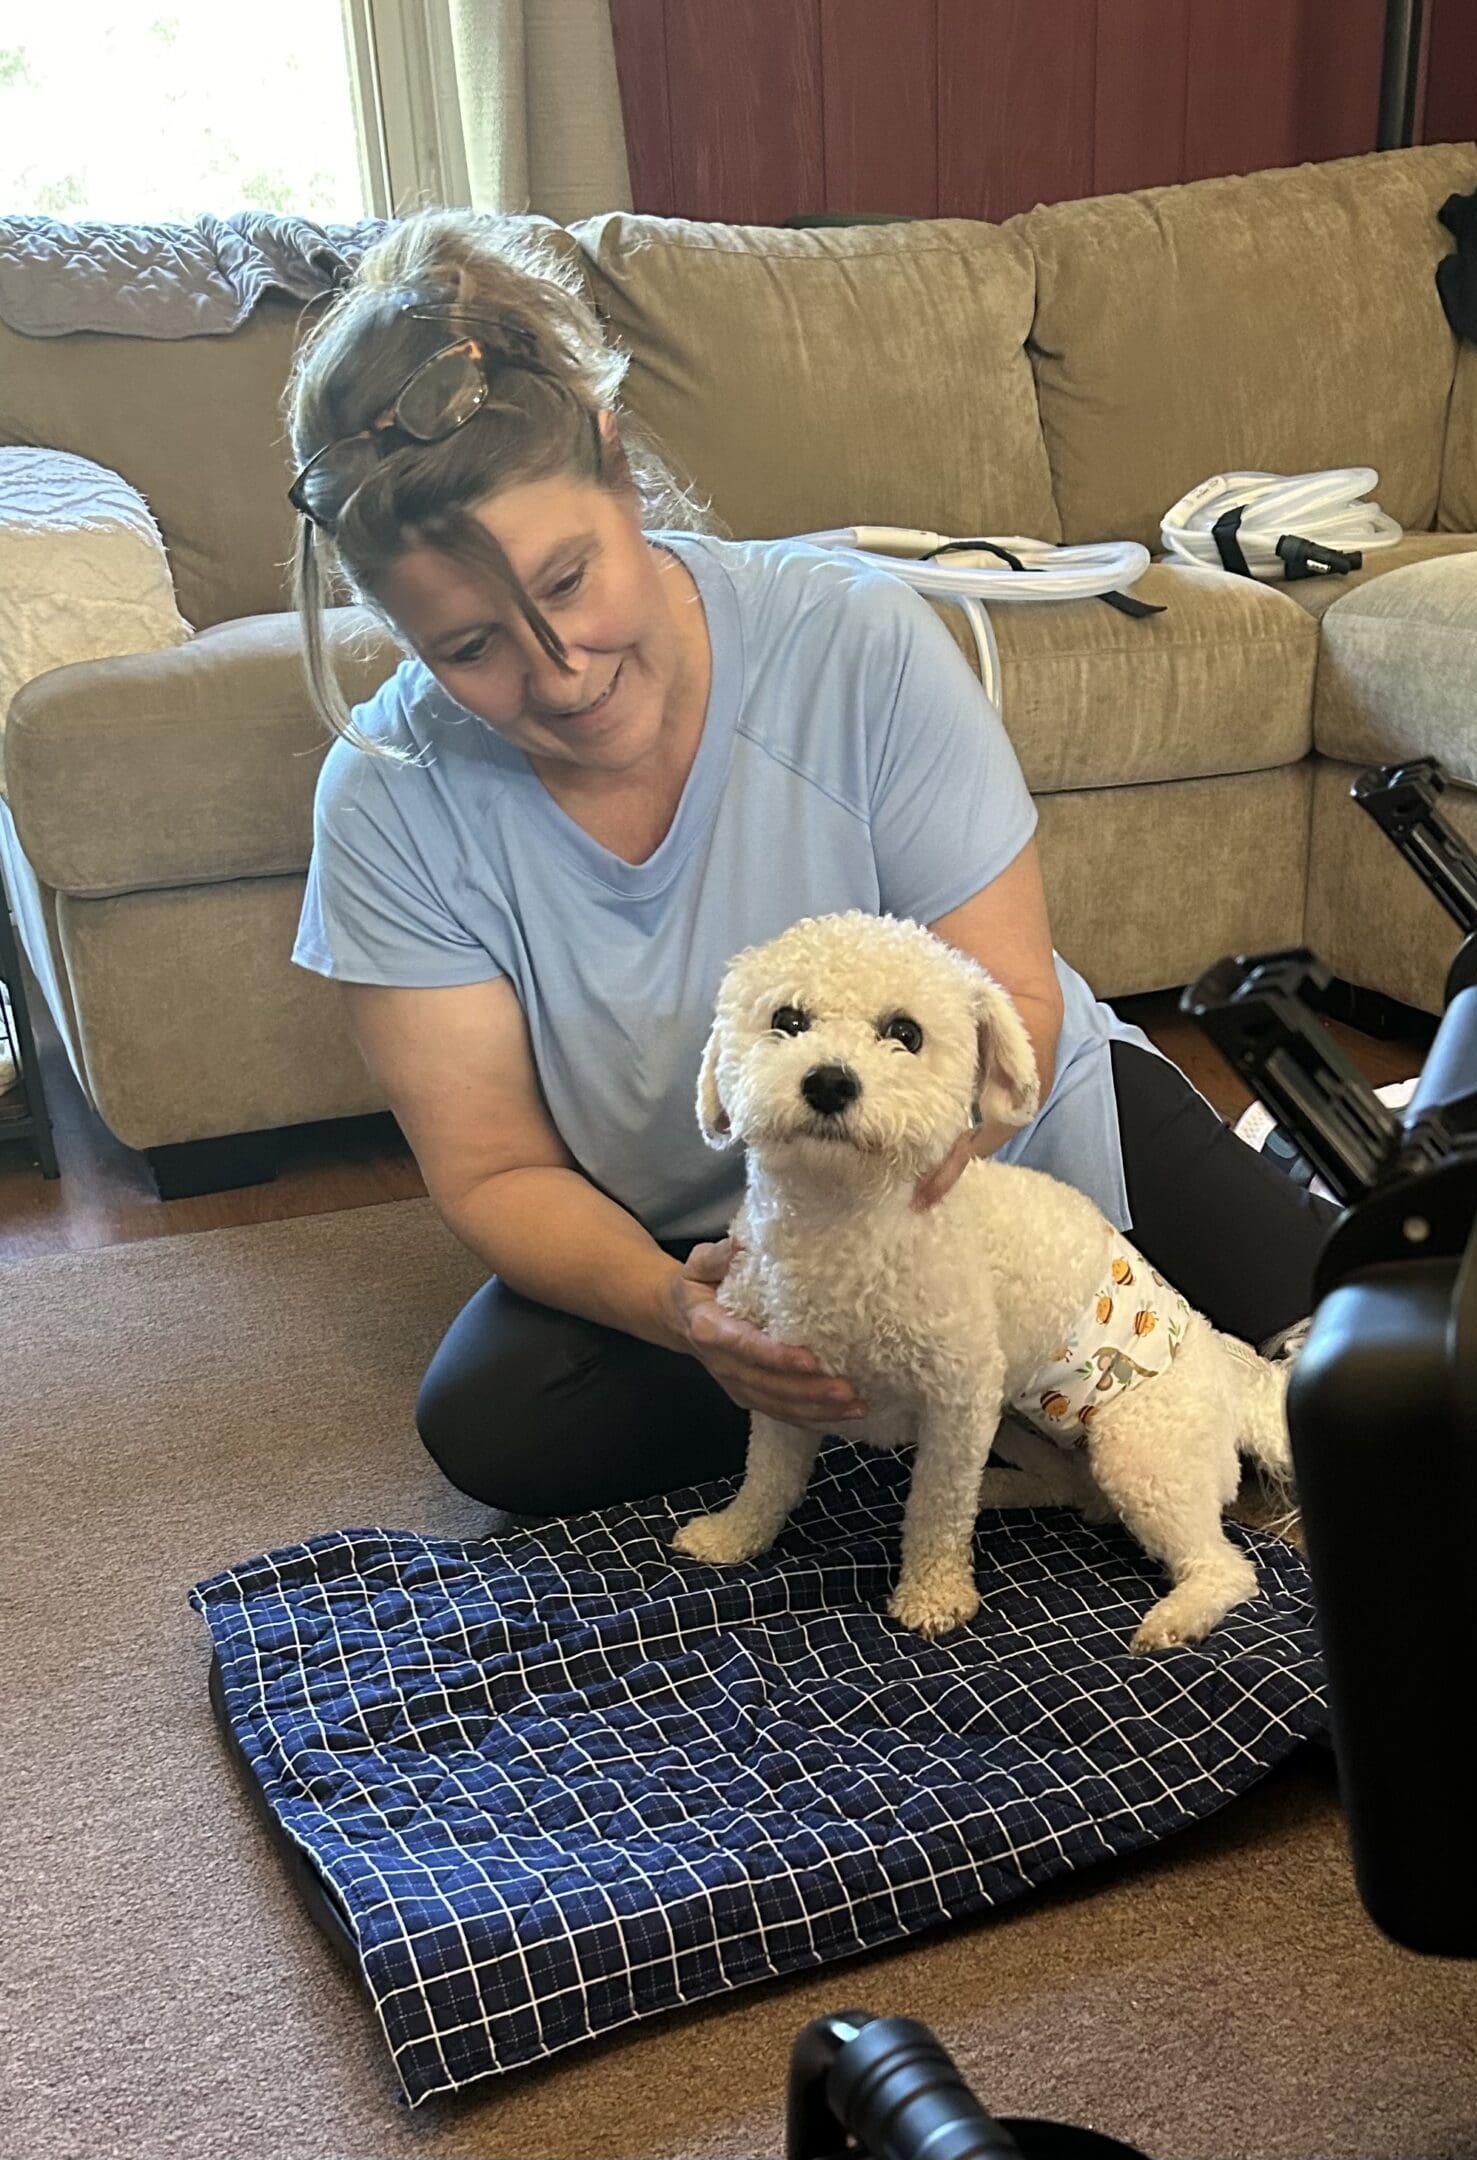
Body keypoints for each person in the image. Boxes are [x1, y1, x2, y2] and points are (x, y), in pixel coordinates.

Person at [285, 211, 1337, 1519]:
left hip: (1010, 1156)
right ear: (396, 631)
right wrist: (689, 1310)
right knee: (496, 1428)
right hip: (724, 1232)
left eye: (568, 581)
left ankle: (996, 1373)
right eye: (469, 649)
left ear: (615, 464)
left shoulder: (854, 642)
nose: (560, 677)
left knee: (1372, 1368)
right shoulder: (386, 800)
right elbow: (496, 1168)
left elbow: (1006, 997)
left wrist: (933, 1263)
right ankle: (928, 1398)